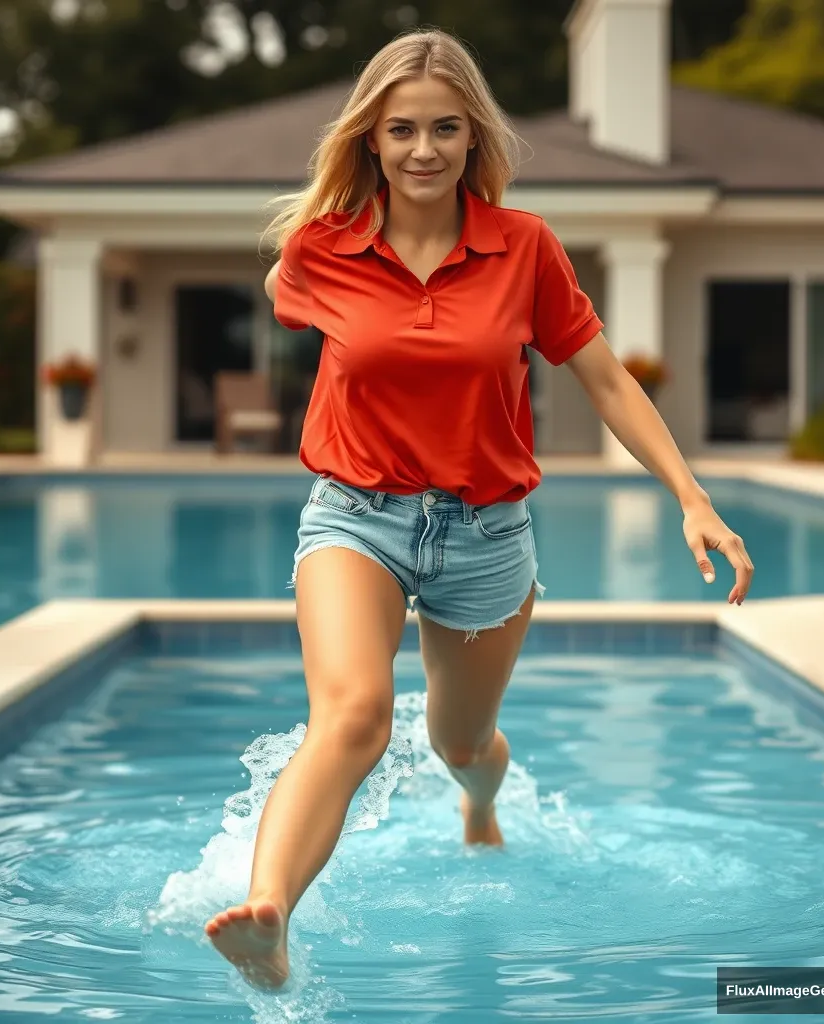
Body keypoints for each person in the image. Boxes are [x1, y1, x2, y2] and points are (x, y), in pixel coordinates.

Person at [204, 27, 754, 988]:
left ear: (473, 137)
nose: (424, 149)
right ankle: (270, 917)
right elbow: (283, 288)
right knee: (355, 713)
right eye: (402, 129)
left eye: (445, 129)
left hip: (487, 534)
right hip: (355, 516)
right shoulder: (320, 253)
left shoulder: (523, 248)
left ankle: (478, 803)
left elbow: (607, 379)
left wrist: (691, 498)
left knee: (461, 741)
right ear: (369, 139)